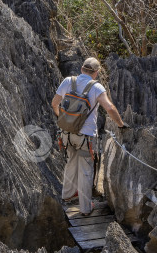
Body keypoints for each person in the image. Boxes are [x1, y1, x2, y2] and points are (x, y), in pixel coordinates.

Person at [51, 57, 128, 216]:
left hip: (66, 133)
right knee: (86, 170)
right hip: (85, 136)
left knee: (71, 161)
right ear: (96, 72)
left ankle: (66, 196)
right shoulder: (96, 87)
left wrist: (64, 121)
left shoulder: (68, 81)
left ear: (81, 69)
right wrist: (121, 124)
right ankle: (85, 208)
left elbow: (54, 103)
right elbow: (110, 108)